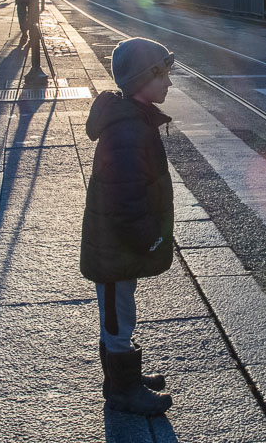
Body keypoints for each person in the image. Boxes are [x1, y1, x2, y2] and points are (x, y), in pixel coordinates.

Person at [80, 37, 176, 416]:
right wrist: (150, 238)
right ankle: (121, 389)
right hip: (116, 246)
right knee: (117, 316)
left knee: (122, 310)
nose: (169, 83)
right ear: (141, 81)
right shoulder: (127, 131)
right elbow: (123, 200)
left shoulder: (134, 120)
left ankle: (124, 377)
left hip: (120, 245)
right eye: (163, 77)